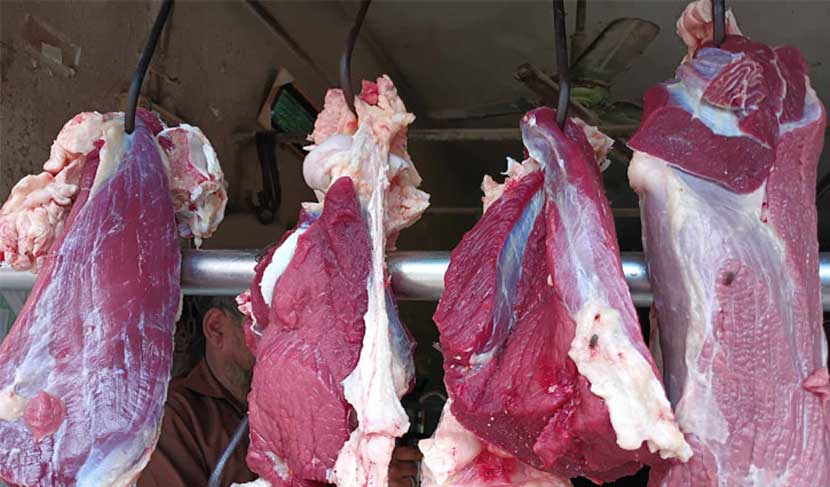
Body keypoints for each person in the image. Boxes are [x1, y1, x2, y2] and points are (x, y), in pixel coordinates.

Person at [139, 296, 421, 487]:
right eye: (268, 328)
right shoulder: (174, 418)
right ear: (216, 329)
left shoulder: (320, 402)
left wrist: (375, 473)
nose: (288, 344)